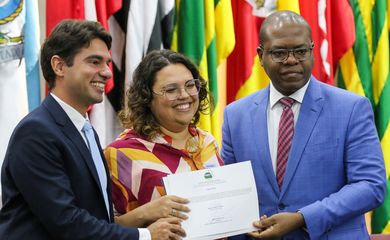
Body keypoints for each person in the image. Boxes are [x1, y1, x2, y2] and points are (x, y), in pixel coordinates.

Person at [0, 19, 185, 240]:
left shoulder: (84, 129)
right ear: (59, 66)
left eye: (107, 63)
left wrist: (145, 214)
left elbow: (97, 216)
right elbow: (67, 223)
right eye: (94, 62)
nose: (106, 72)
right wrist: (145, 236)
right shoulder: (36, 132)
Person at [221, 10, 386, 239]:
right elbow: (228, 191)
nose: (291, 60)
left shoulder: (351, 108)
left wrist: (303, 218)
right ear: (260, 55)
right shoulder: (235, 115)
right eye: (279, 52)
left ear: (312, 51)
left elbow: (371, 186)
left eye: (300, 51)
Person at [104, 49, 224, 227]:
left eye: (190, 85)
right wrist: (146, 214)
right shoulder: (121, 154)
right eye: (171, 89)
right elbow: (103, 228)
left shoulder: (207, 142)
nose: (184, 95)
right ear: (147, 98)